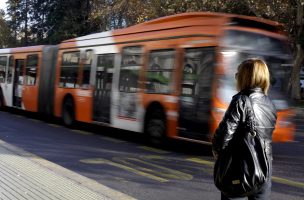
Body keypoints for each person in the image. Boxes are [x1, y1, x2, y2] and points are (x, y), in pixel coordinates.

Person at [212, 58, 277, 200]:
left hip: (239, 170)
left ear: (244, 77)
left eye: (238, 74)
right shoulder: (270, 104)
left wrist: (216, 151)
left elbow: (224, 134)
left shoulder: (240, 100)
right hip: (264, 171)